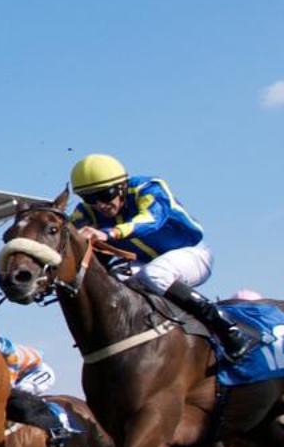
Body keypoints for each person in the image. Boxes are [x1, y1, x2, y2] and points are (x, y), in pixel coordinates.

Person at [66, 154, 255, 362]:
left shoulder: (148, 187)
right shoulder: (85, 212)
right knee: (115, 281)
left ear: (121, 186)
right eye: (90, 198)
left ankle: (227, 329)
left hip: (192, 254)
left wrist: (111, 233)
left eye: (105, 194)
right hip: (145, 262)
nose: (100, 204)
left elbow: (151, 220)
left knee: (155, 274)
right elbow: (67, 237)